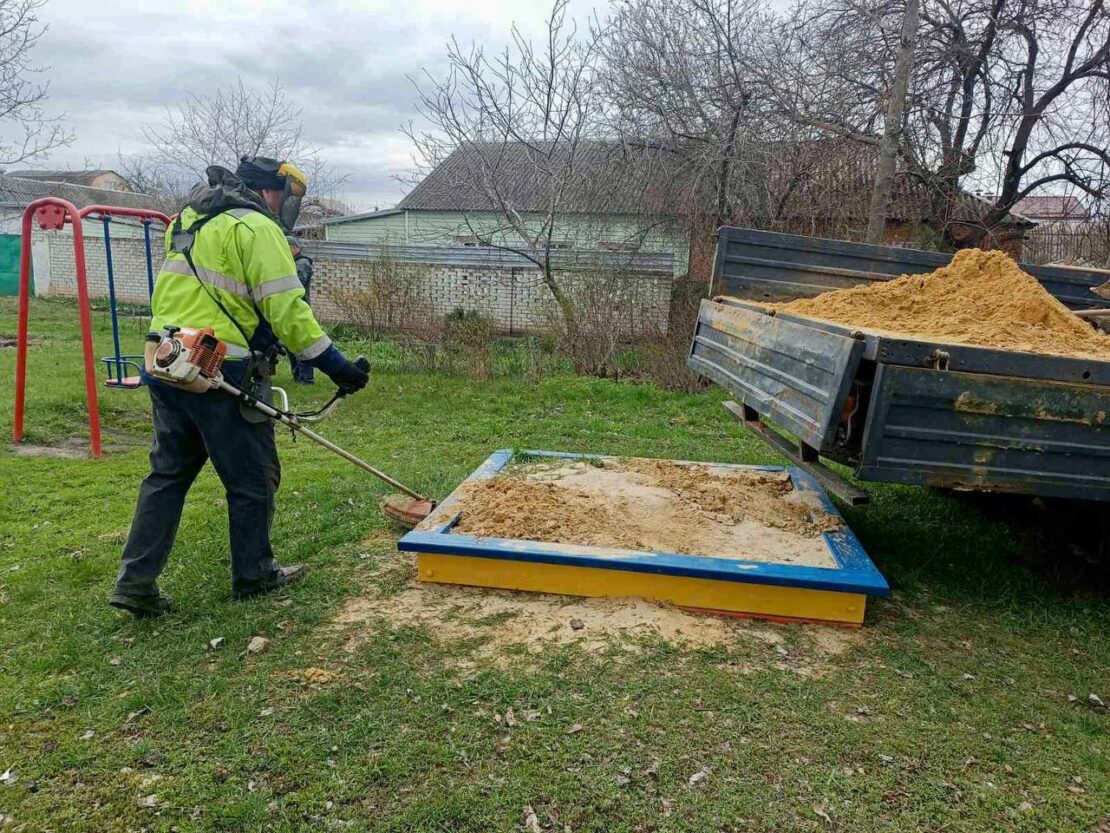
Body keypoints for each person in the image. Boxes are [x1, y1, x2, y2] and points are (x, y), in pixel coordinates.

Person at [109, 156, 370, 618]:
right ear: (274, 192)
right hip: (220, 369)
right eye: (289, 198)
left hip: (168, 360)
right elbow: (287, 310)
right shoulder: (255, 227)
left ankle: (136, 581)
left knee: (166, 476)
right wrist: (337, 366)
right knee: (252, 479)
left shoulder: (187, 220)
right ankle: (254, 572)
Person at [286, 237, 315, 384]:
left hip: (300, 308)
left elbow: (297, 282)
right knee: (290, 344)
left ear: (295, 248)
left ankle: (306, 378)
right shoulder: (292, 263)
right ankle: (297, 375)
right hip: (291, 308)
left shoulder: (302, 263)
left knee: (301, 345)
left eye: (286, 248)